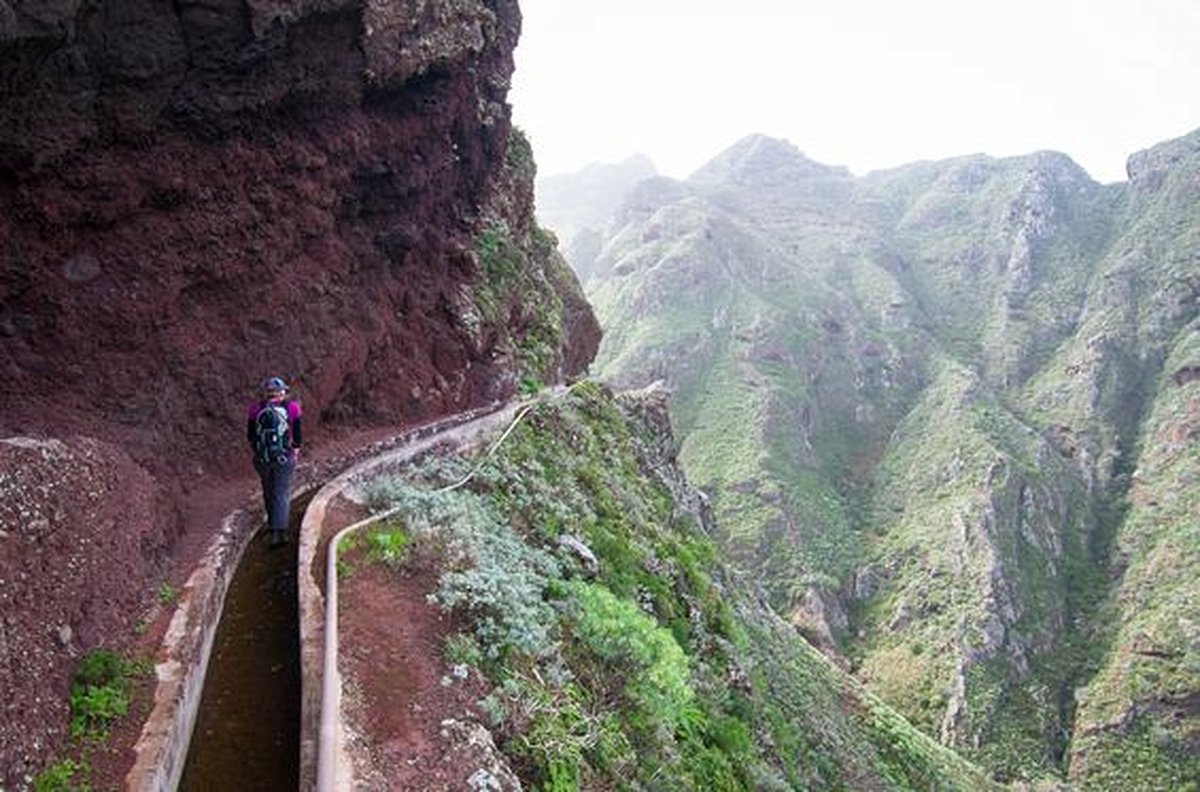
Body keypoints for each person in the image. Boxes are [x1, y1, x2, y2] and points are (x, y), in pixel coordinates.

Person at [247, 376, 302, 546]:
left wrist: (260, 452)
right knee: (282, 493)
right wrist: (295, 449)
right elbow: (298, 435)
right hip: (284, 457)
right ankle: (280, 533)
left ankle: (272, 527)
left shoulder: (255, 409)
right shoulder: (292, 408)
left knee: (268, 490)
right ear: (281, 393)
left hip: (262, 459)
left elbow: (250, 436)